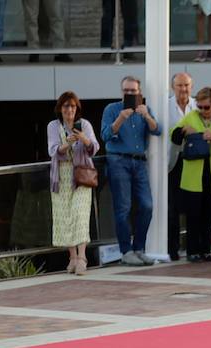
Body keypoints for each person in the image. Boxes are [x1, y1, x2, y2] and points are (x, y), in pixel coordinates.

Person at [100, 75, 160, 267]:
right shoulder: (112, 109)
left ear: (139, 92)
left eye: (133, 91)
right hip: (118, 161)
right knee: (123, 208)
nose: (129, 94)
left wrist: (147, 116)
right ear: (121, 91)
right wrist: (120, 118)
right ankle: (126, 251)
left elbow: (157, 130)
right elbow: (105, 135)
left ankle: (139, 249)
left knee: (147, 205)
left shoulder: (144, 110)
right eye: (126, 90)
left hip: (139, 162)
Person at [171, 87, 211, 264]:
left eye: (206, 107)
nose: (202, 111)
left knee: (208, 215)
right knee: (193, 216)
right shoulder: (190, 117)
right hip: (193, 177)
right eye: (199, 107)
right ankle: (192, 251)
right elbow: (174, 135)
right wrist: (184, 130)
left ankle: (206, 249)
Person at [46, 92, 99, 276]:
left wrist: (83, 139)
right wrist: (68, 143)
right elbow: (53, 150)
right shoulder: (53, 126)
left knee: (80, 213)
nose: (70, 110)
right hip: (61, 174)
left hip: (81, 174)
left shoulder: (84, 124)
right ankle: (72, 257)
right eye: (66, 106)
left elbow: (94, 147)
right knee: (65, 215)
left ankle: (82, 257)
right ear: (60, 108)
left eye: (73, 106)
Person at [166, 72, 194, 260]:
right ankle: (173, 249)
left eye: (186, 85)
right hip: (172, 163)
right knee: (173, 208)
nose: (183, 89)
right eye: (179, 85)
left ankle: (193, 249)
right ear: (172, 87)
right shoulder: (165, 106)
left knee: (192, 206)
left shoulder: (197, 106)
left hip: (194, 162)